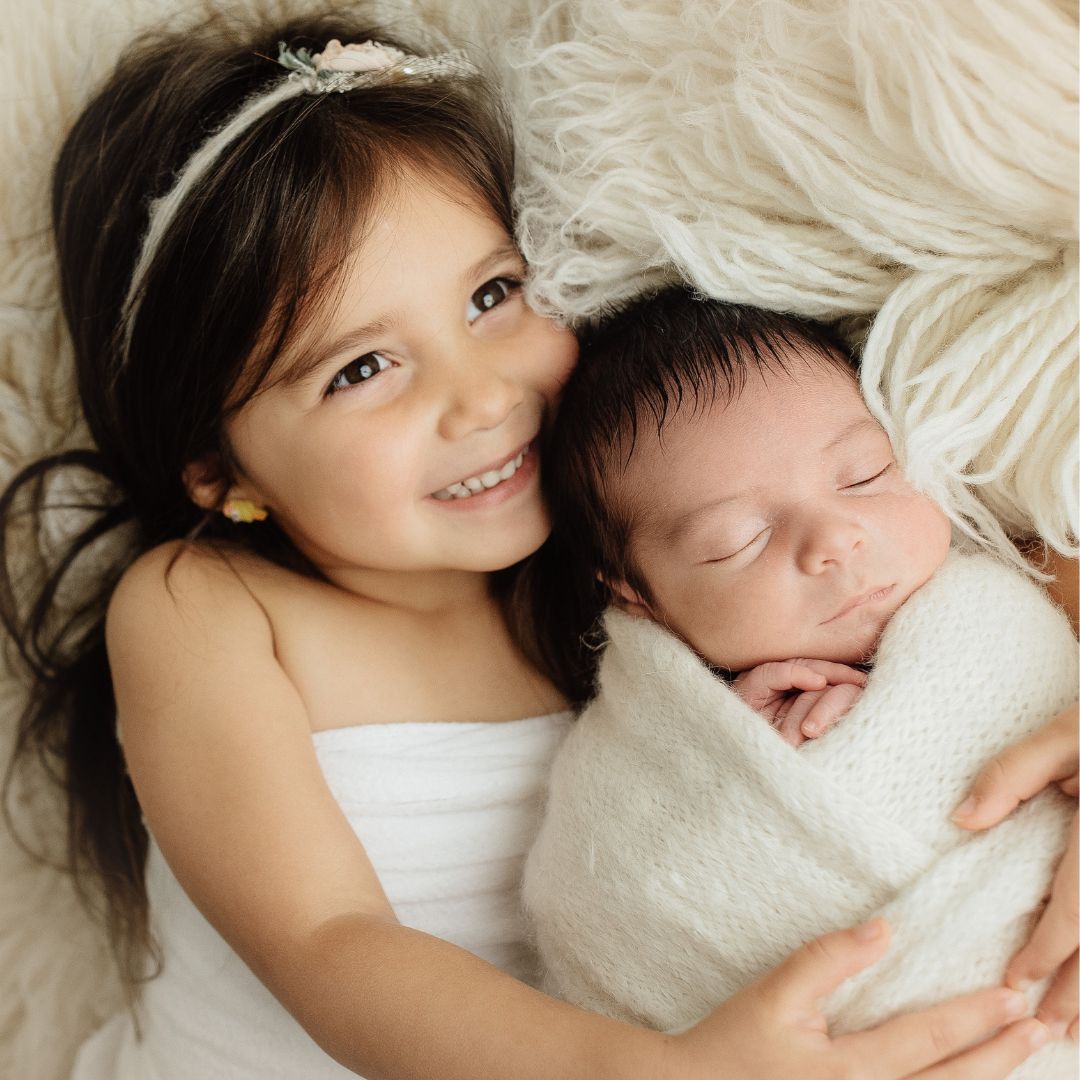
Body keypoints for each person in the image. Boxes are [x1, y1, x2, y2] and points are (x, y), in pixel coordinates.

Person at [0, 12, 1060, 1080]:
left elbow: (969, 568)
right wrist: (664, 1073)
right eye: (362, 368)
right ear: (220, 471)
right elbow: (325, 942)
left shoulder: (638, 565)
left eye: (491, 295)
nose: (483, 395)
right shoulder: (206, 606)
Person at [522, 286, 1079, 1072]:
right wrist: (728, 763)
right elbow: (612, 906)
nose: (834, 540)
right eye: (736, 541)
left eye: (863, 475)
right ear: (635, 593)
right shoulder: (634, 761)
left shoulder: (1015, 591)